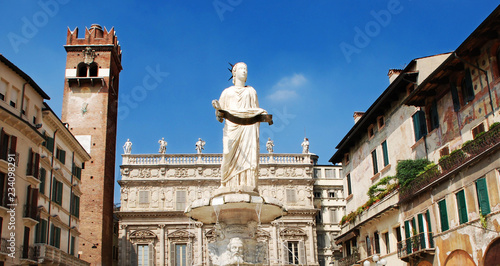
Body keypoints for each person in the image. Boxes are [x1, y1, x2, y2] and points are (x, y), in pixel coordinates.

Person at [212, 62, 271, 191]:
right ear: (234, 72)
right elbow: (219, 118)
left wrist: (261, 112)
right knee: (227, 154)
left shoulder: (251, 91)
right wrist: (217, 109)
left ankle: (248, 184)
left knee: (249, 155)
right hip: (232, 127)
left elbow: (254, 110)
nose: (244, 71)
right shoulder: (227, 92)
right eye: (241, 69)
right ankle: (225, 183)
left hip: (248, 127)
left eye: (246, 69)